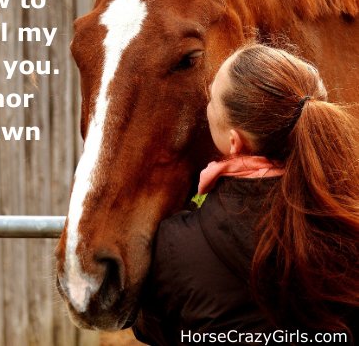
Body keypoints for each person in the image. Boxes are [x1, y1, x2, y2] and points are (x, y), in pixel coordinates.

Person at [132, 44, 358, 345]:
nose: (207, 101)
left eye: (211, 98)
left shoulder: (177, 245)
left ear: (234, 142)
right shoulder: (348, 221)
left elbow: (151, 329)